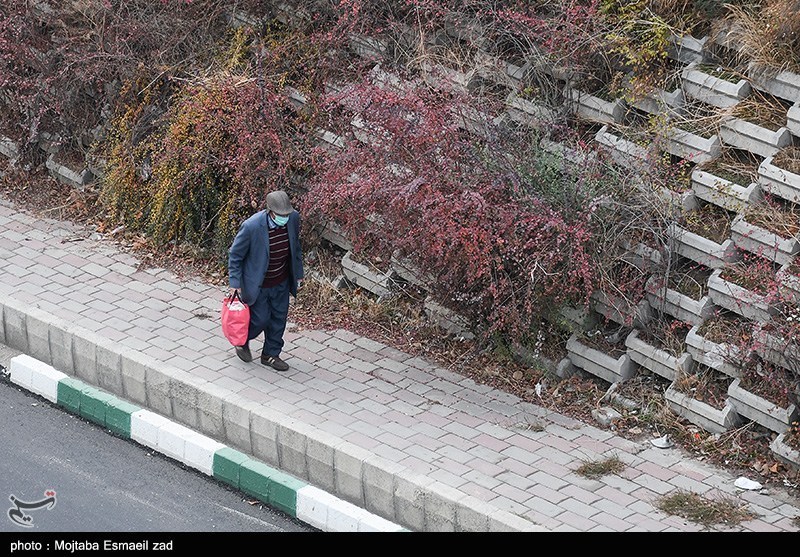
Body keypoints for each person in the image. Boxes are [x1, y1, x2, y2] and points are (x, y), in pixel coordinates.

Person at [227, 189, 304, 371]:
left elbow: (296, 248)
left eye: (286, 214)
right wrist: (235, 283)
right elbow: (235, 255)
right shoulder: (251, 227)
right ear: (270, 211)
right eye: (280, 215)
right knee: (260, 319)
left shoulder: (293, 219)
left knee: (279, 319)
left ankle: (270, 354)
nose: (284, 217)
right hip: (258, 283)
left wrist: (298, 273)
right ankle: (242, 340)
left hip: (281, 280)